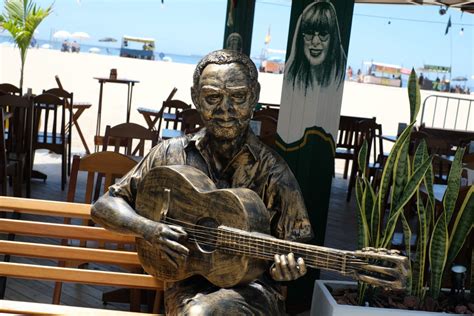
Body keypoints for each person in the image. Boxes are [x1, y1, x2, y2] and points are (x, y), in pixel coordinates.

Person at [91, 49, 313, 315]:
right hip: (186, 284)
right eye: (212, 97)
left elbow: (299, 248)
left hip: (253, 290)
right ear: (196, 97)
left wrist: (286, 268)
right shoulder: (170, 154)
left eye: (239, 97)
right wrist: (149, 229)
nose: (226, 109)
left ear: (254, 97)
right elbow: (103, 206)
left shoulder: (274, 172)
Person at [285, 1, 346, 92]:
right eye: (309, 33)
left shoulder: (338, 82)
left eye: (323, 34)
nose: (315, 41)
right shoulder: (290, 82)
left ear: (333, 39)